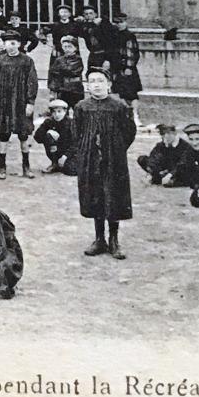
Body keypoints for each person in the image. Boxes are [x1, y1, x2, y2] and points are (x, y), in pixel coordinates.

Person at [73, 69, 137, 260]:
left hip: (113, 160)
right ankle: (99, 238)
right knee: (95, 195)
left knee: (113, 196)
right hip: (90, 159)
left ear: (108, 84)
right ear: (87, 85)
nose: (97, 84)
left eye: (101, 81)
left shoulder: (119, 107)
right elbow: (76, 133)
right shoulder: (82, 107)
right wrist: (86, 150)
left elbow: (129, 132)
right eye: (92, 81)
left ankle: (114, 239)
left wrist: (115, 148)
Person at [0, 31, 40, 180]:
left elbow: (33, 82)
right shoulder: (1, 60)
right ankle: (2, 166)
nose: (10, 46)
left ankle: (26, 166)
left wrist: (30, 102)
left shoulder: (27, 61)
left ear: (19, 44)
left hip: (21, 103)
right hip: (4, 104)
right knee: (4, 135)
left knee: (23, 135)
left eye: (13, 43)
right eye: (7, 43)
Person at [34, 98, 78, 176]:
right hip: (56, 150)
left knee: (71, 171)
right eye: (54, 112)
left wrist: (65, 156)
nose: (57, 115)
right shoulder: (49, 122)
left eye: (59, 111)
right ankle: (54, 163)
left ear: (65, 112)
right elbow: (37, 138)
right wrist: (48, 131)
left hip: (70, 152)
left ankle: (62, 164)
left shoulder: (71, 123)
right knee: (49, 136)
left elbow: (75, 144)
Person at [47, 34, 87, 111]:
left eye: (70, 47)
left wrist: (60, 69)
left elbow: (71, 71)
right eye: (65, 47)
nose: (67, 49)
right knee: (62, 110)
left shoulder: (78, 59)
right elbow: (53, 74)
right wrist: (53, 90)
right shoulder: (59, 60)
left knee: (78, 111)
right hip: (62, 90)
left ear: (75, 48)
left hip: (76, 90)